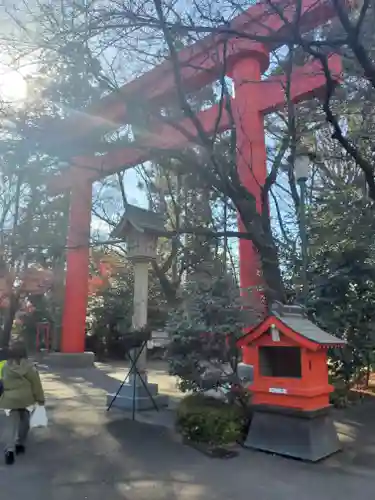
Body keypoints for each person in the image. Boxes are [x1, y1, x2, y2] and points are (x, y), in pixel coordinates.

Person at [0, 340, 45, 465]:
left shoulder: (5, 366)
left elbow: (4, 383)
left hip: (10, 399)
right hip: (26, 399)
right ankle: (20, 444)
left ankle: (9, 450)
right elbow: (36, 384)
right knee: (25, 421)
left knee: (12, 424)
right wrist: (40, 398)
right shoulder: (30, 367)